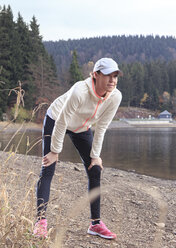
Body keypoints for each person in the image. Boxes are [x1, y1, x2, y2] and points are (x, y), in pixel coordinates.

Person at [33, 58, 122, 239]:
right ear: (95, 75)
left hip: (81, 127)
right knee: (48, 166)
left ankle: (95, 224)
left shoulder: (115, 96)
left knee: (94, 168)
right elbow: (62, 121)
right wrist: (55, 151)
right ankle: (40, 222)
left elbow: (102, 126)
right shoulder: (79, 91)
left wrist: (96, 156)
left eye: (115, 76)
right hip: (56, 118)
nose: (112, 80)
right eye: (108, 75)